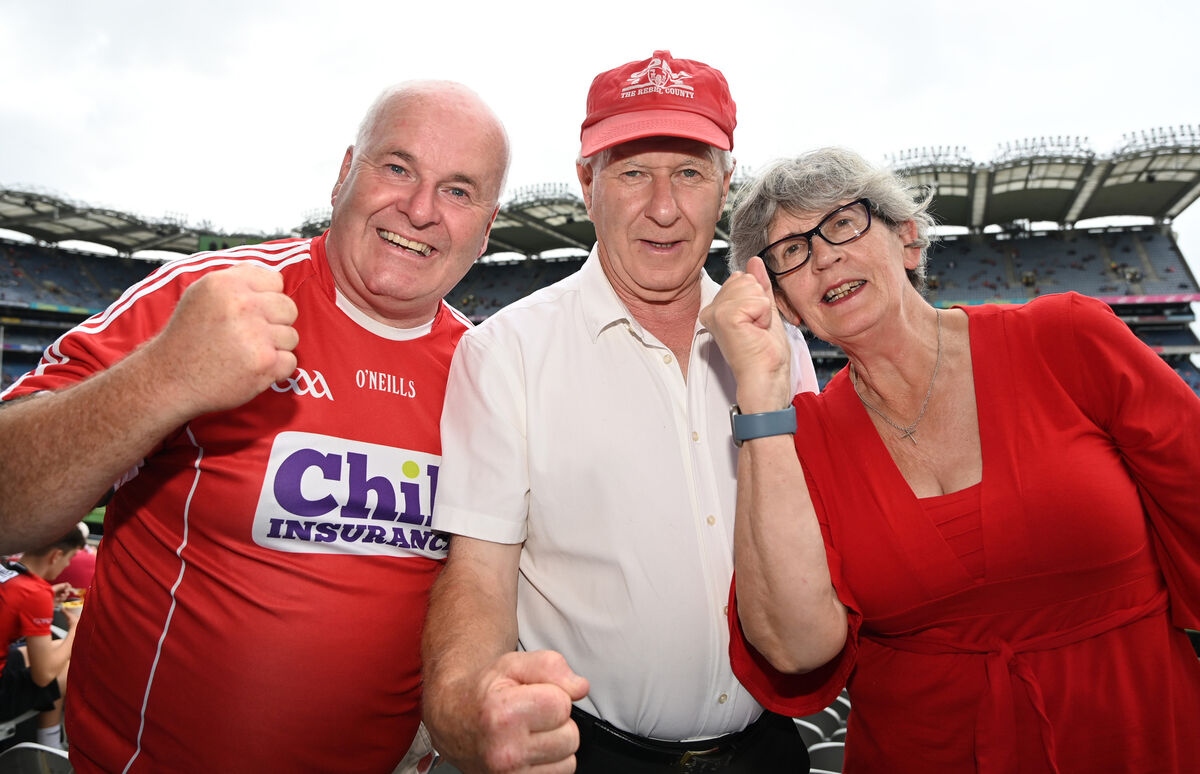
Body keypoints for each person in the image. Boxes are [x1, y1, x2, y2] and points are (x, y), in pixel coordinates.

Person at [0, 80, 510, 773]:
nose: (419, 209)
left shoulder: (489, 375)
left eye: (458, 190)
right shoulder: (208, 296)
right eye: (397, 167)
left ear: (487, 226)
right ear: (343, 176)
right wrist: (163, 378)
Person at [699, 147, 1200, 773]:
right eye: (791, 252)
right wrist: (761, 393)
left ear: (908, 239)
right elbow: (795, 650)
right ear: (787, 305)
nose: (823, 254)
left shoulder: (1069, 339)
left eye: (844, 223)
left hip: (1140, 737)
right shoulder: (800, 442)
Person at [422, 51, 818, 773]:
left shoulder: (777, 343)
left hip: (766, 752)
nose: (664, 208)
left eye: (691, 173)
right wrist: (463, 700)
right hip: (592, 756)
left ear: (726, 184)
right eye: (634, 172)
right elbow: (479, 574)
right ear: (587, 184)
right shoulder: (507, 351)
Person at [1, 526, 86, 750]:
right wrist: (75, 633)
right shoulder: (35, 592)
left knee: (54, 650)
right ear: (56, 555)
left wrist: (46, 600)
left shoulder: (7, 569)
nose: (67, 566)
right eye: (68, 559)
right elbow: (43, 675)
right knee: (68, 667)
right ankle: (49, 747)